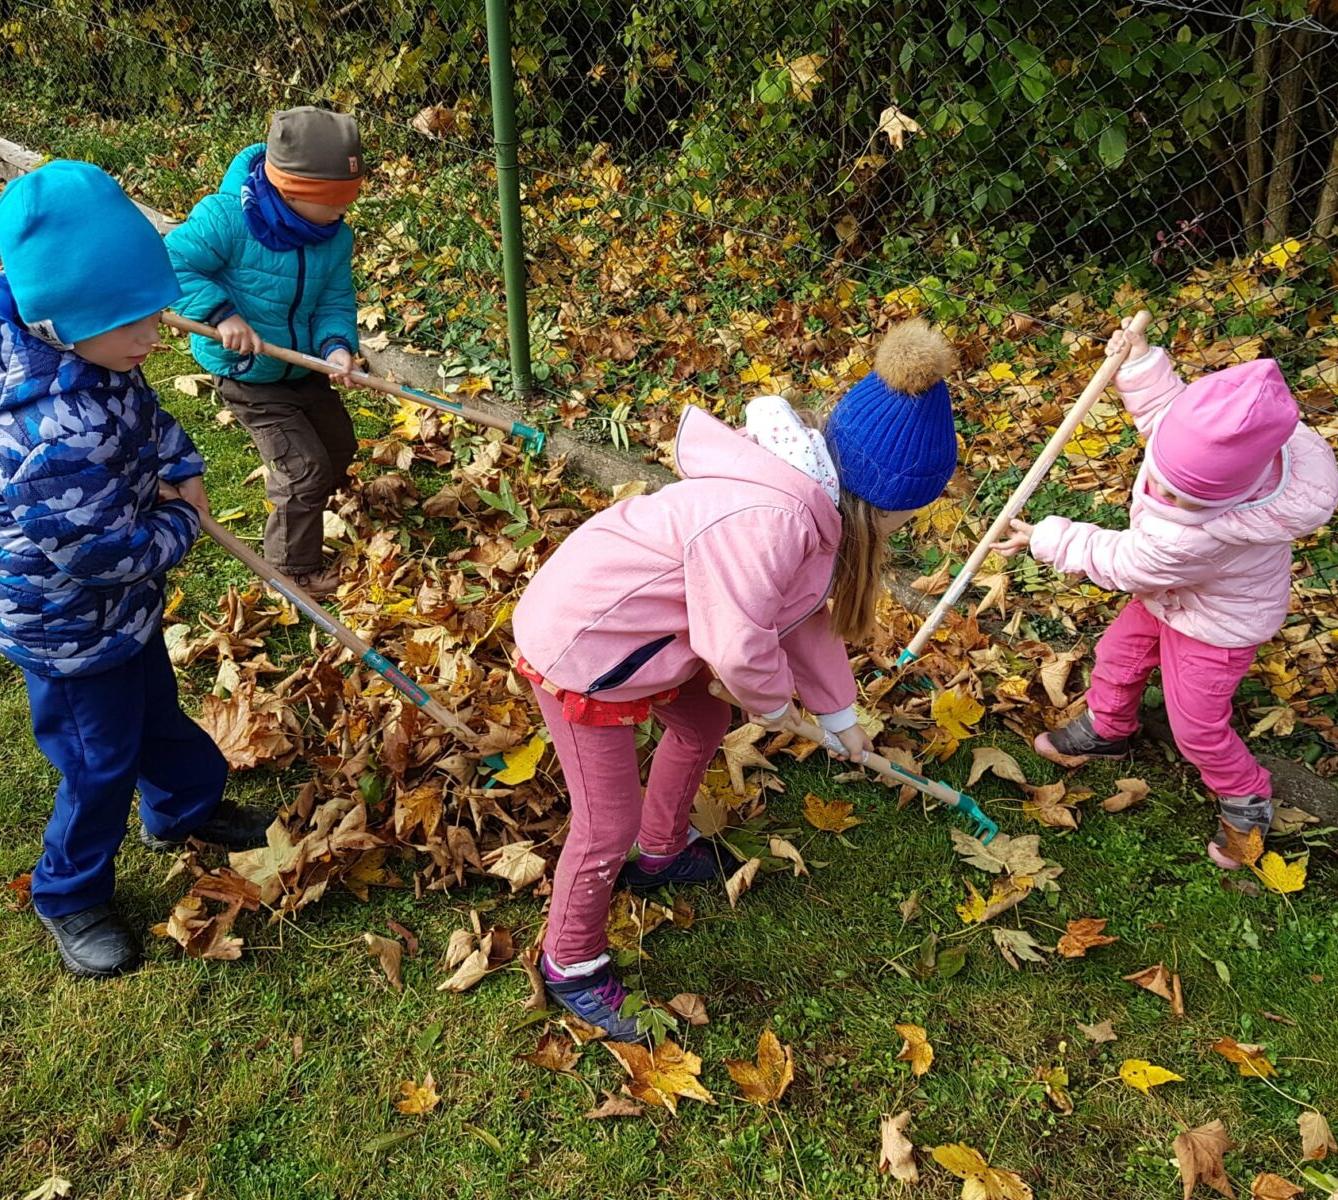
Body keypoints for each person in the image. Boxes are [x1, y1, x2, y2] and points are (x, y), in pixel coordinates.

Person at [511, 319, 959, 1039]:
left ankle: (662, 852)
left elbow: (803, 622)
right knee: (603, 823)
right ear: (883, 502)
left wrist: (840, 718)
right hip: (587, 648)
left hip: (650, 637)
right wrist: (777, 704)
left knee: (701, 721)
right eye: (910, 519)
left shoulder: (815, 510)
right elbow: (736, 641)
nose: (909, 530)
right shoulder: (775, 520)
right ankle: (572, 962)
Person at [0, 162, 271, 978]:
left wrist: (178, 459)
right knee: (96, 761)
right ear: (60, 322)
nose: (155, 337)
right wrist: (182, 522)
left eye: (156, 314)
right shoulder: (52, 436)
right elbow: (102, 555)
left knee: (156, 708)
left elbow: (145, 419)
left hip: (121, 614)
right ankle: (70, 893)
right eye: (136, 327)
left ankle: (184, 808)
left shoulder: (102, 351)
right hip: (70, 627)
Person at [994, 316, 1338, 869]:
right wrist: (1138, 359)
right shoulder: (1212, 451)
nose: (1157, 490)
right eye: (1159, 476)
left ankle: (1246, 793)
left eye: (1179, 494)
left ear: (1231, 495)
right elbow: (1164, 411)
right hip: (1170, 599)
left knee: (1196, 726)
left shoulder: (1196, 535)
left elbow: (1126, 561)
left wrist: (1046, 537)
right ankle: (1109, 727)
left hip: (1216, 627)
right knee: (1117, 655)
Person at [166, 106, 365, 596]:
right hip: (249, 373)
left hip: (304, 367)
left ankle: (317, 506)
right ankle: (291, 569)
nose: (345, 210)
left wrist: (337, 347)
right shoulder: (226, 218)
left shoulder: (334, 236)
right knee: (304, 469)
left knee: (339, 447)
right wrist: (221, 314)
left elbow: (334, 298)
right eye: (337, 200)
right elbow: (172, 264)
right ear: (294, 190)